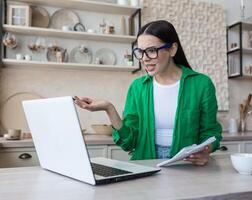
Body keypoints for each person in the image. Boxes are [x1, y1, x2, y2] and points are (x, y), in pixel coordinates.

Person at [74, 20, 222, 166]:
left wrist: (205, 151)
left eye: (151, 51)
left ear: (172, 49)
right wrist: (109, 108)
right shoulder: (138, 87)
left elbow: (210, 132)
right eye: (140, 51)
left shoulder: (201, 84)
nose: (144, 59)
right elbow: (129, 143)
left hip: (185, 164)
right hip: (146, 163)